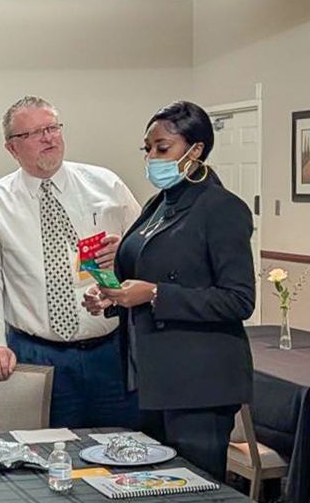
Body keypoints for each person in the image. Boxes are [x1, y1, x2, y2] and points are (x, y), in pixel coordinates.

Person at [84, 101, 254, 478]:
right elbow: (140, 274)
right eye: (147, 149)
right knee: (153, 490)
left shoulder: (222, 208)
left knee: (195, 495)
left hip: (199, 382)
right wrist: (110, 296)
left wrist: (157, 294)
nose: (152, 157)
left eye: (163, 148)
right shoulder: (158, 204)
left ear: (195, 150)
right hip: (151, 376)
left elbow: (239, 300)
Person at [0, 95, 142, 428]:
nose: (48, 138)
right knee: (50, 456)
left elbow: (145, 255)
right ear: (11, 148)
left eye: (52, 128)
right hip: (37, 355)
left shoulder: (106, 185)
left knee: (122, 450)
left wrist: (125, 255)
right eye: (33, 133)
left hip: (109, 351)